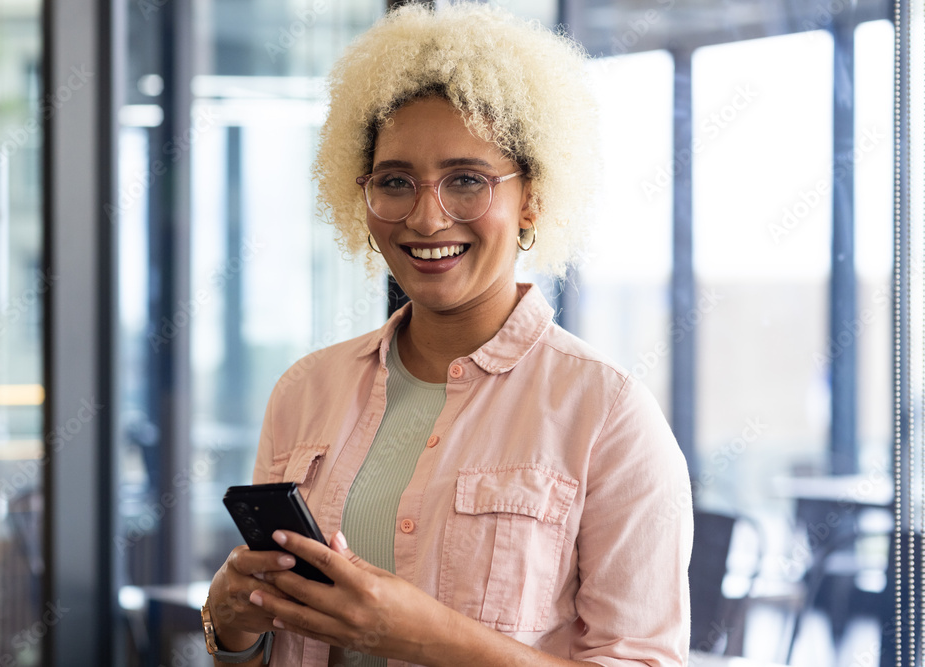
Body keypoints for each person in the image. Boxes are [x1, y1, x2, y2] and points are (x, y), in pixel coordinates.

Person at [204, 4, 692, 666]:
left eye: (467, 180)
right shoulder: (306, 391)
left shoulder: (606, 414)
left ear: (532, 197)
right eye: (396, 182)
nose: (427, 217)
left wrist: (424, 635)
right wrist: (232, 626)